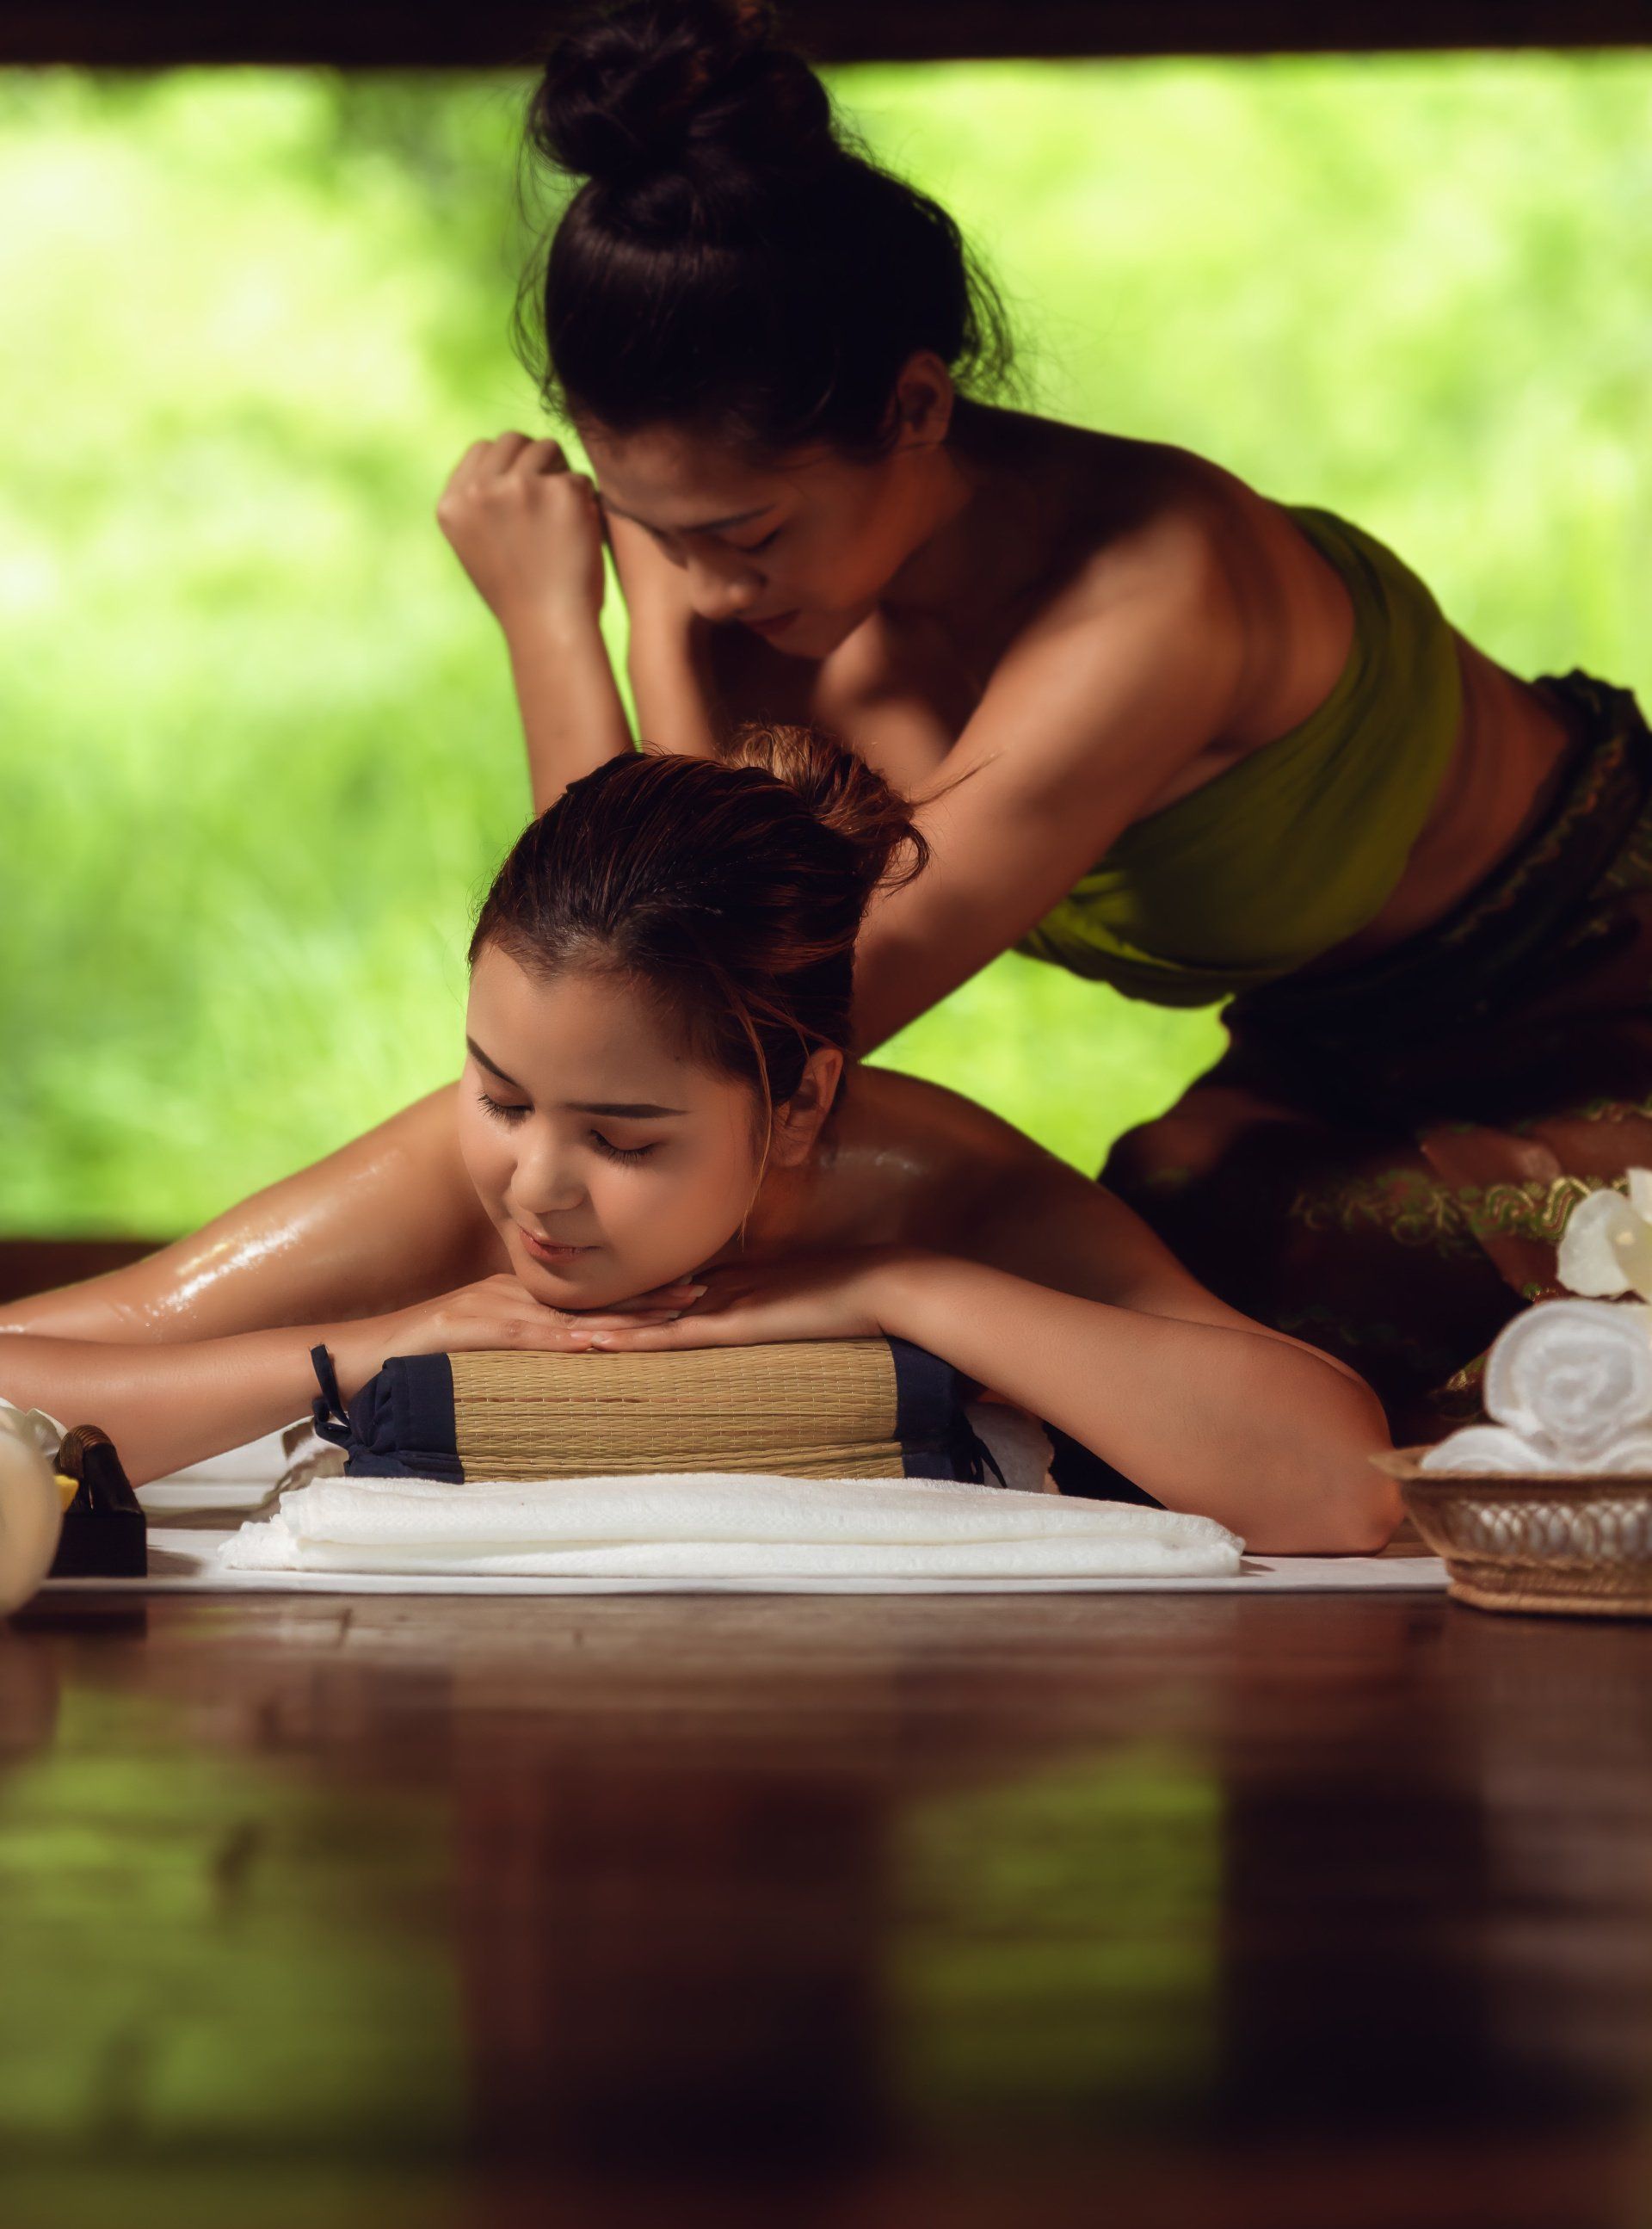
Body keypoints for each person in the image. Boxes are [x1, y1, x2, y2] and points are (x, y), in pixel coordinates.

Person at [437, 0, 1652, 1439]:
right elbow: (634, 993)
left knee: (1210, 1310)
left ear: (913, 407)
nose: (700, 584)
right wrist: (644, 607)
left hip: (1601, 988)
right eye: (644, 528)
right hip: (1332, 1043)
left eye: (743, 533)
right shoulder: (756, 576)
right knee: (1132, 1266)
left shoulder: (1150, 600)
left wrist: (560, 626)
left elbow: (705, 1035)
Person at [1, 728, 1393, 1550]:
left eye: (621, 1137)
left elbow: (1340, 1479)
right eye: (500, 1094)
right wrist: (359, 1348)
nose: (534, 1186)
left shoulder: (938, 1188)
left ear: (799, 1104)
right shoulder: (452, 1184)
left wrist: (901, 1292)